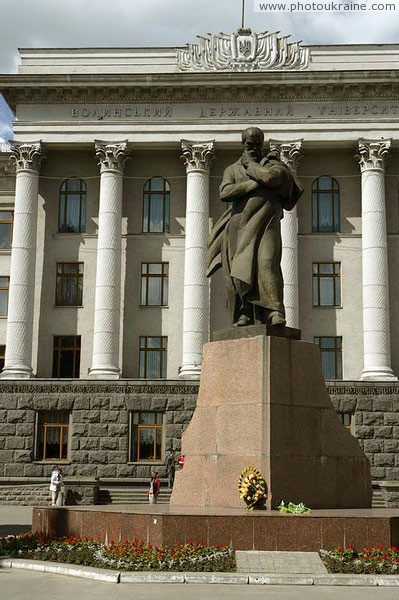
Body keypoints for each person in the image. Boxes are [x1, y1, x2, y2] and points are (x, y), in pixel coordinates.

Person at [207, 127, 303, 327]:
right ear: (243, 144)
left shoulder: (274, 164)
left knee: (268, 263)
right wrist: (254, 185)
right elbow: (225, 192)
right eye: (250, 144)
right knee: (241, 270)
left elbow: (272, 178)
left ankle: (275, 312)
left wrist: (251, 167)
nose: (254, 148)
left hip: (267, 224)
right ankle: (245, 313)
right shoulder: (232, 169)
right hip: (239, 228)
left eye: (258, 144)